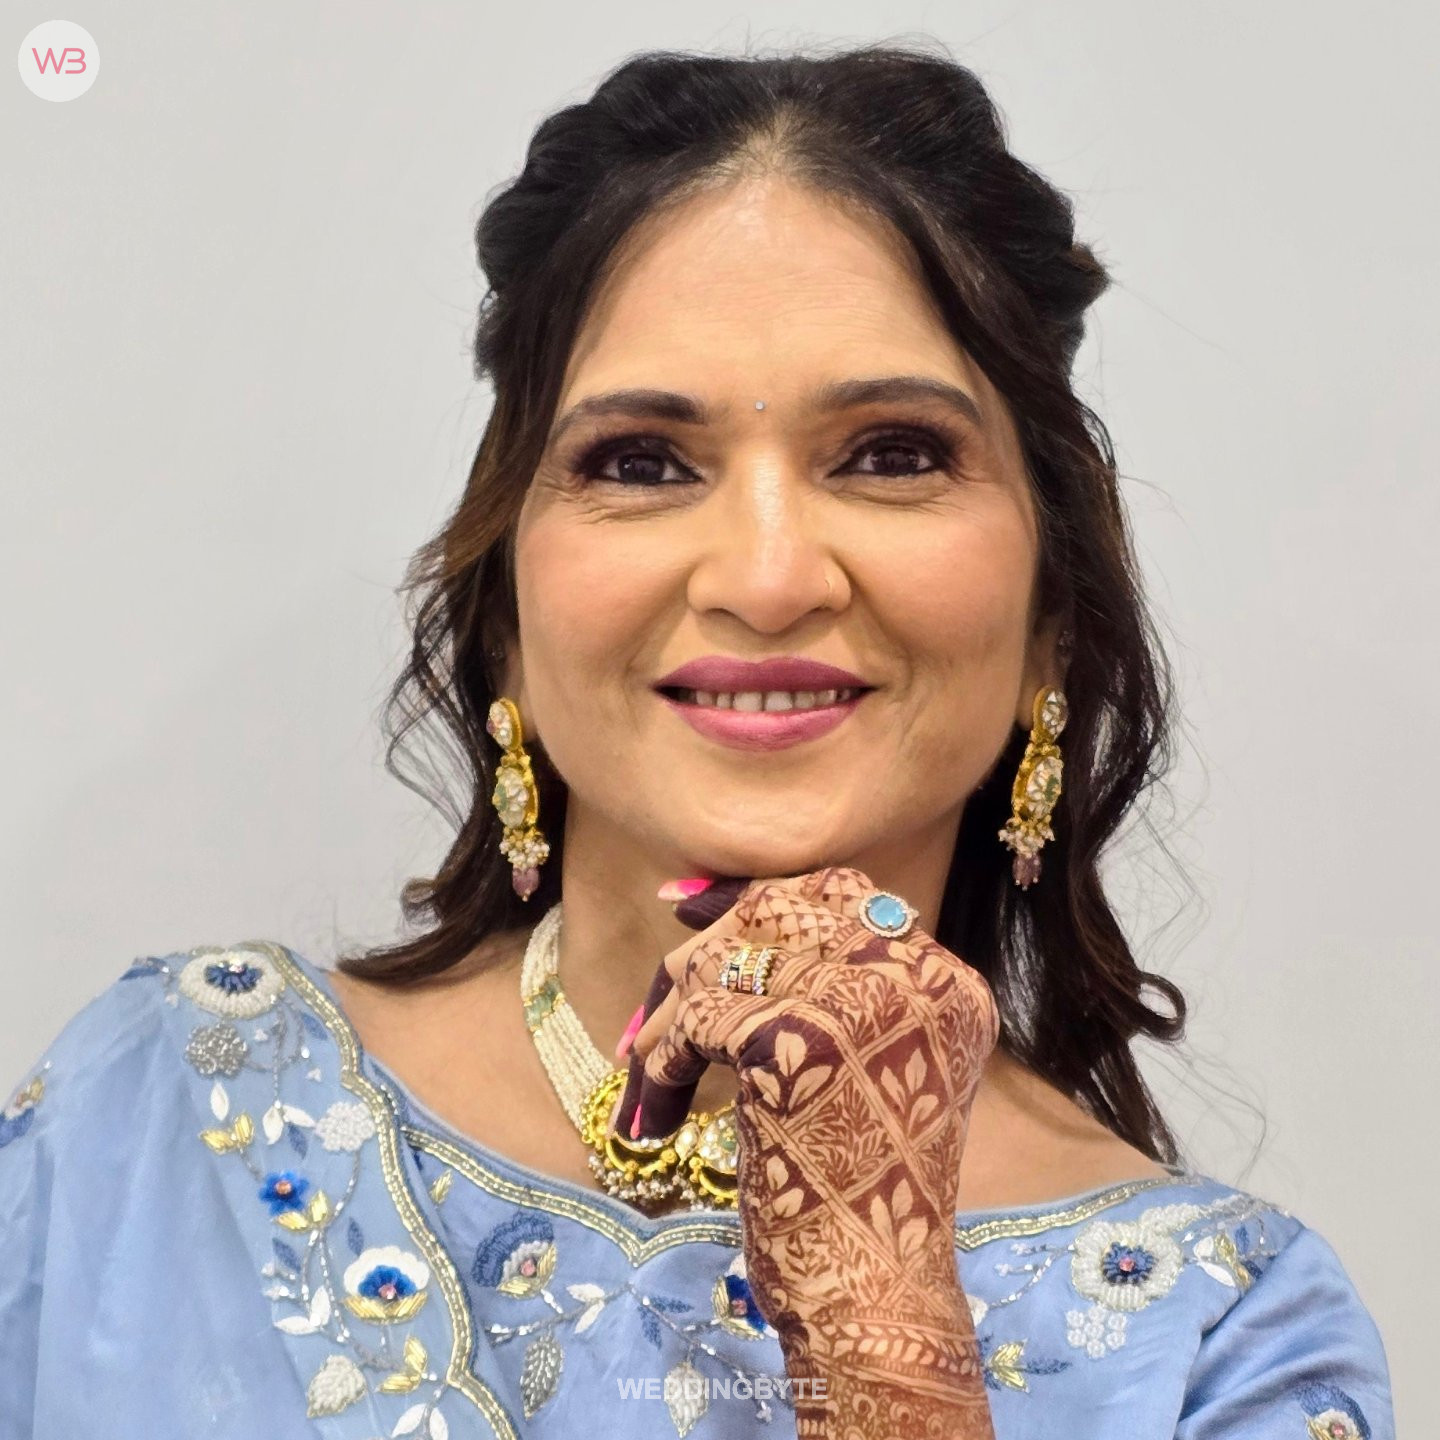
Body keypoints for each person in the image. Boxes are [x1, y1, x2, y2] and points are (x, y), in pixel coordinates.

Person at [0, 40, 1394, 1440]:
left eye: (893, 453)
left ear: (1052, 622)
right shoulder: (165, 1121)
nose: (769, 578)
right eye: (642, 464)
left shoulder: (1220, 1334)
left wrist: (877, 1315)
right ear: (506, 622)